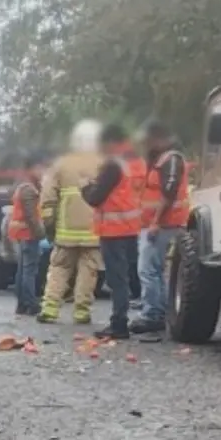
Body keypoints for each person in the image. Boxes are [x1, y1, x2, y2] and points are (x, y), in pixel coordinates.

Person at [81, 123, 146, 339]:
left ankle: (119, 323)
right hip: (130, 228)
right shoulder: (135, 163)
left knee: (117, 279)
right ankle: (122, 318)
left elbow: (95, 197)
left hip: (113, 229)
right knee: (125, 276)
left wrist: (85, 187)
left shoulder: (112, 165)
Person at [37, 119, 104, 324]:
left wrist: (49, 226)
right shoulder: (102, 164)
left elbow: (48, 198)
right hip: (94, 230)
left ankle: (50, 308)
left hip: (65, 230)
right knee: (88, 271)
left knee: (59, 268)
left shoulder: (61, 165)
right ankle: (81, 311)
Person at [130, 119, 189, 334]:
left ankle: (152, 314)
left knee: (147, 270)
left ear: (158, 139)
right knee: (154, 270)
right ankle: (158, 310)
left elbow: (169, 192)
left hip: (164, 224)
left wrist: (155, 221)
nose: (146, 145)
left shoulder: (170, 159)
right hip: (157, 224)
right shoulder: (160, 160)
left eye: (148, 140)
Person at [7, 152, 49, 315]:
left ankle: (22, 303)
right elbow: (32, 217)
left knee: (23, 269)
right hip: (28, 233)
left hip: (21, 232)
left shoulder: (21, 186)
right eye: (40, 169)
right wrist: (41, 234)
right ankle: (31, 303)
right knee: (29, 270)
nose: (42, 172)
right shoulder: (29, 189)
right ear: (32, 169)